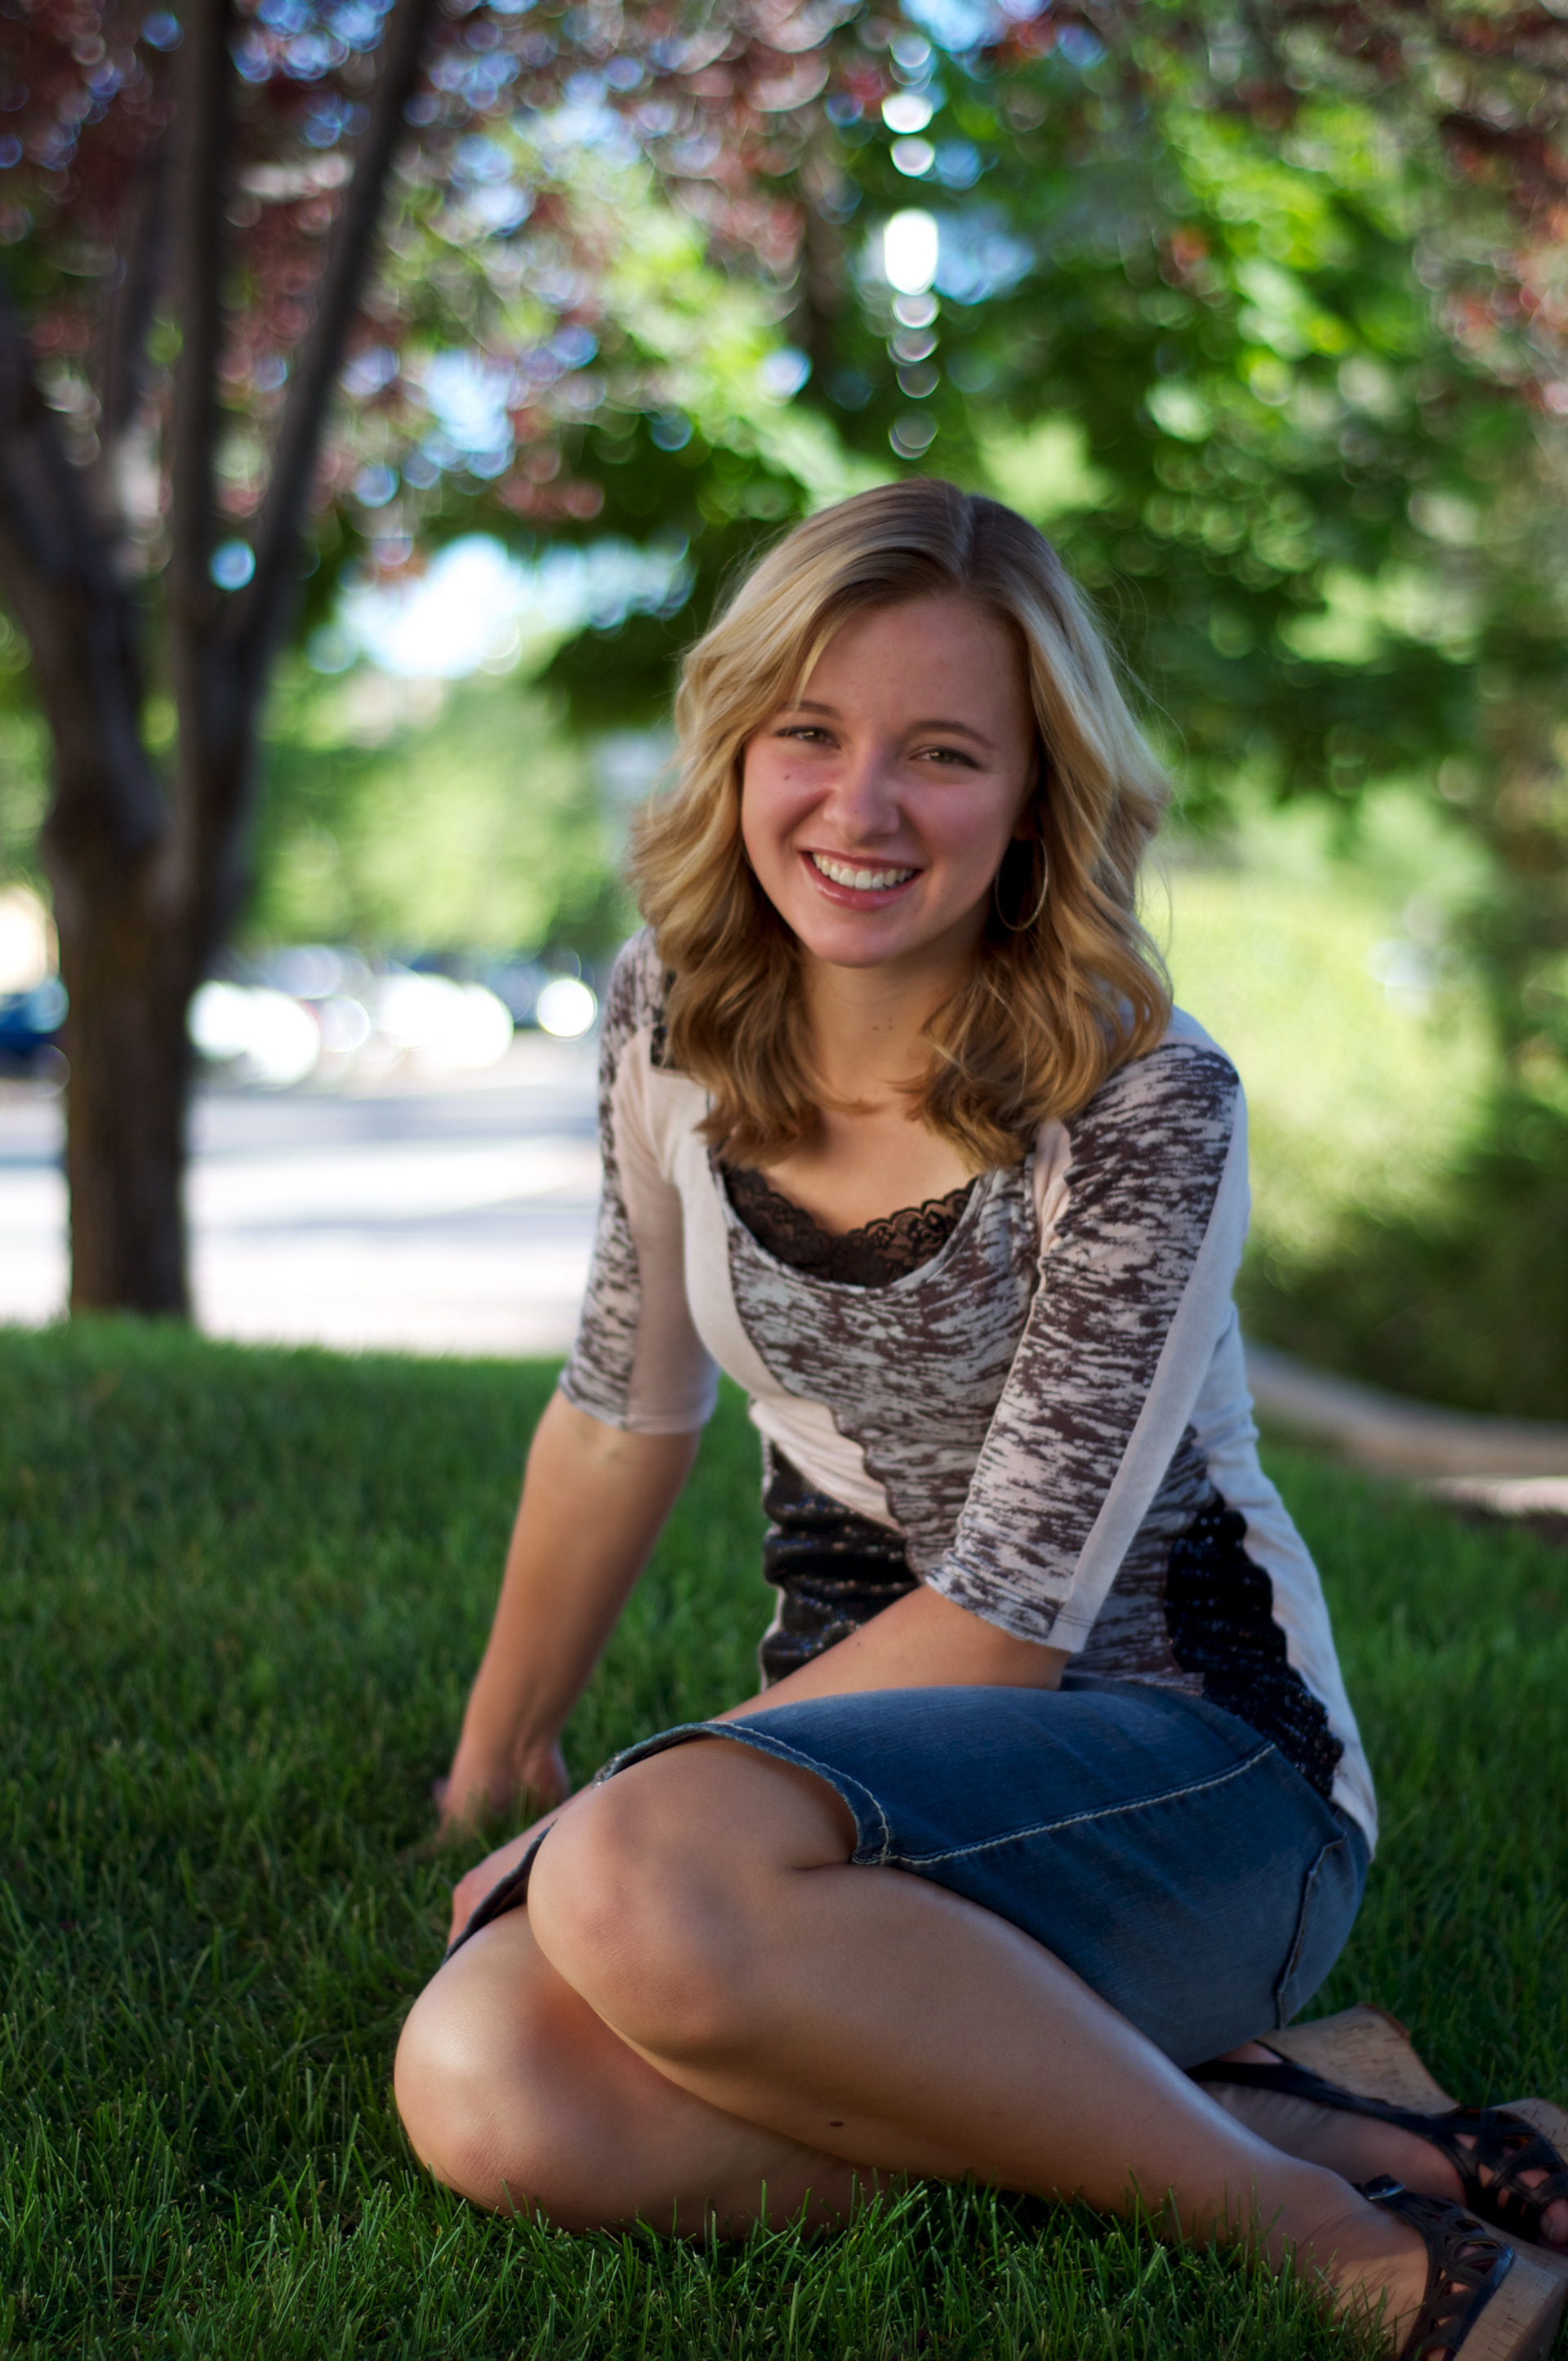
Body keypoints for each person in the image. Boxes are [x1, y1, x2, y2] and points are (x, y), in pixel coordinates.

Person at [395, 482, 1568, 2358]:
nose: (859, 809)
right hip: (839, 1790)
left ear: (1034, 801)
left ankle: (1332, 2241)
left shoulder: (1142, 1097)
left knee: (634, 1871)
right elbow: (621, 1407)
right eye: (810, 733)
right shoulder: (670, 1014)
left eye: (942, 754)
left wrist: (595, 1825)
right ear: (738, 746)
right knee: (485, 2084)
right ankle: (1275, 2114)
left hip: (1201, 1771)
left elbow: (1016, 1622)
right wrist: (496, 1767)